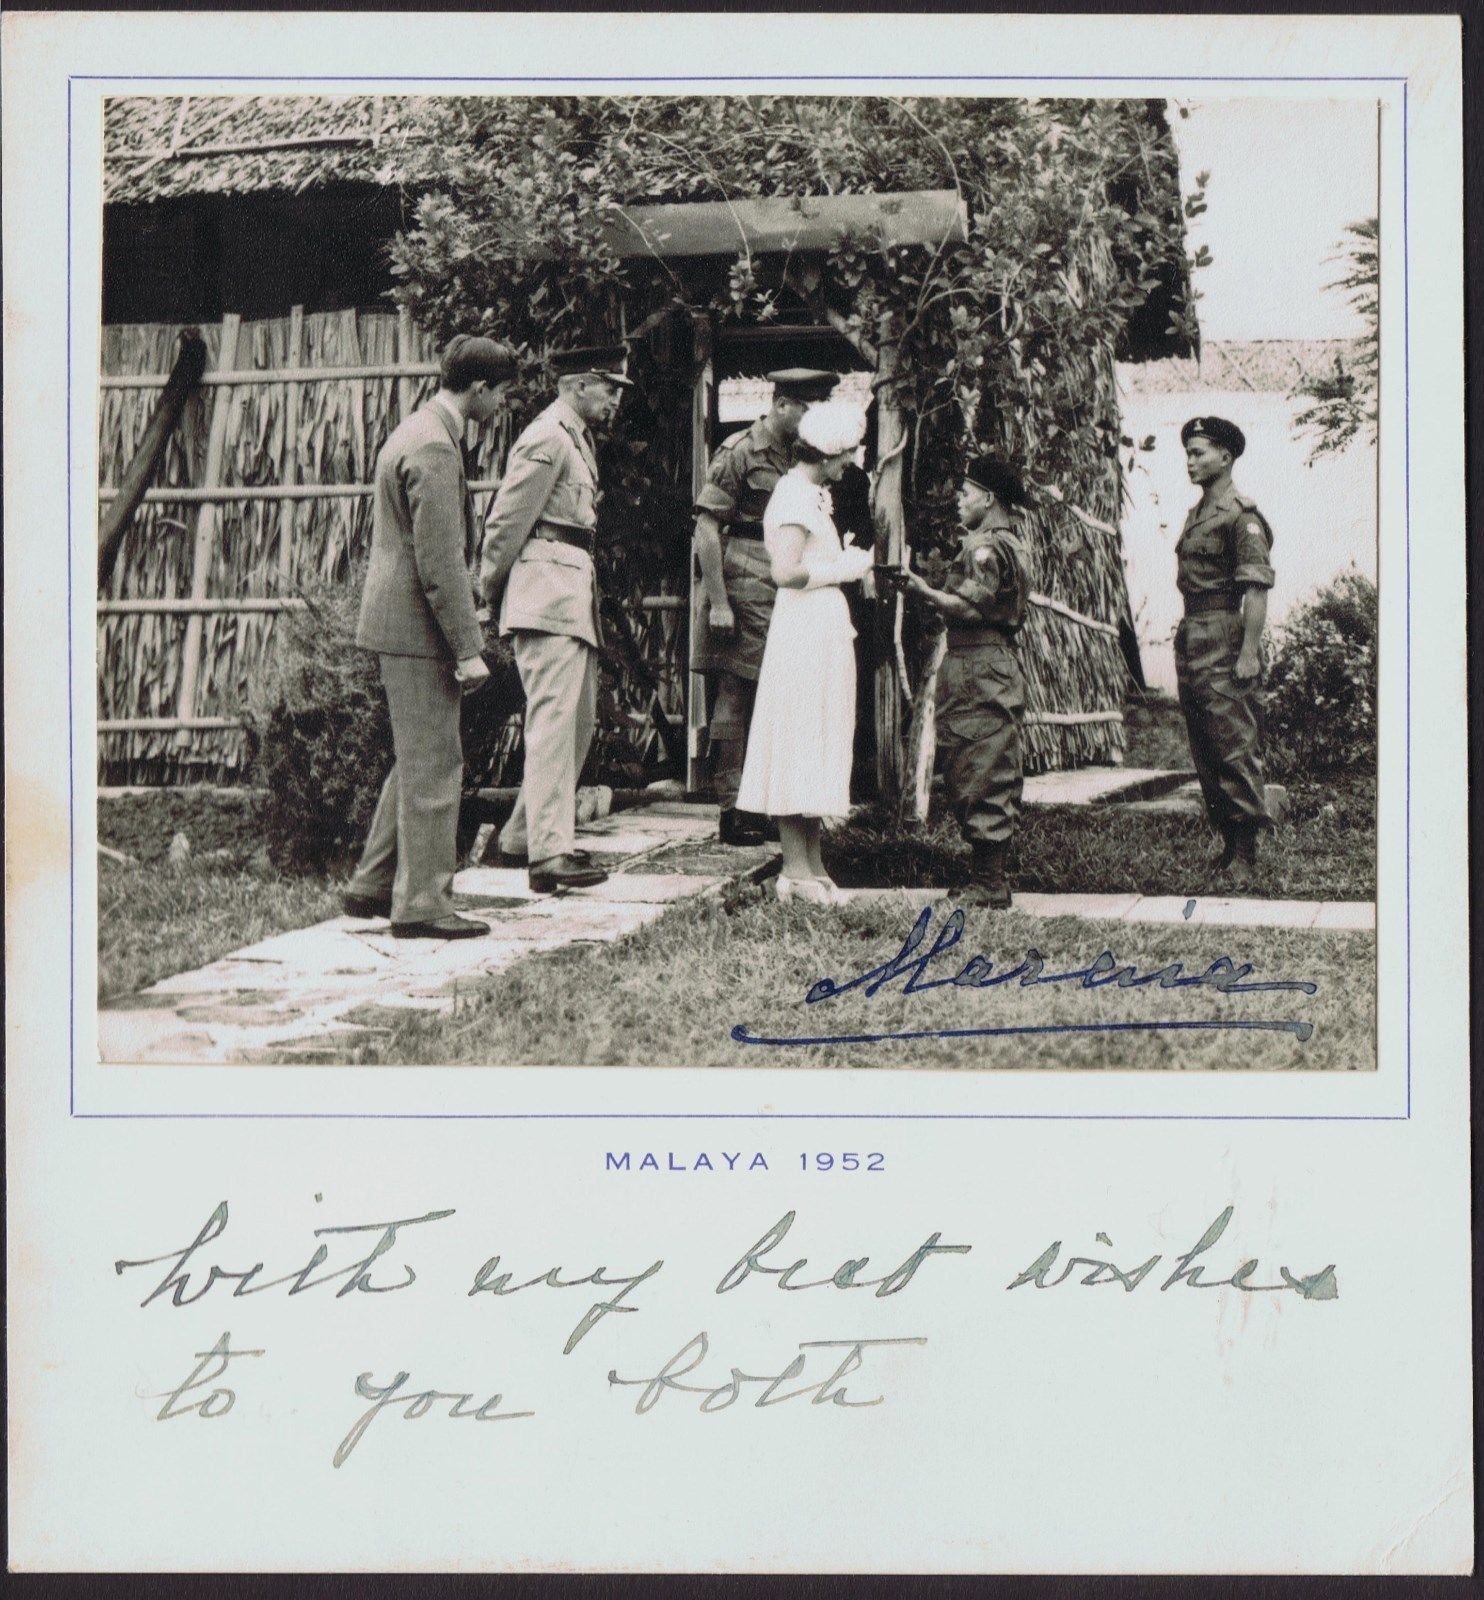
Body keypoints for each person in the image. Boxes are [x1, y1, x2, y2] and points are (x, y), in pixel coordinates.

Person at [343, 333, 518, 939]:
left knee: (415, 758)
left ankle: (370, 883)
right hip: (417, 629)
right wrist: (467, 650)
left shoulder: (414, 429)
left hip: (399, 623)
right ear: (477, 390)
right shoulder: (437, 448)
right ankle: (422, 906)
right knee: (437, 764)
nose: (500, 407)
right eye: (500, 395)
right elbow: (440, 565)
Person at [479, 344, 634, 894]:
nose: (615, 398)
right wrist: (487, 593)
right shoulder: (548, 436)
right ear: (578, 385)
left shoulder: (572, 438)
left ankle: (523, 836)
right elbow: (506, 523)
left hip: (568, 593)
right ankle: (549, 854)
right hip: (545, 594)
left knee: (576, 722)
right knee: (552, 723)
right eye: (609, 387)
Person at [735, 400, 875, 904]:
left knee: (819, 739)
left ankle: (812, 864)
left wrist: (846, 560)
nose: (848, 466)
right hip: (802, 629)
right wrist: (847, 568)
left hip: (822, 629)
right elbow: (787, 572)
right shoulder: (793, 494)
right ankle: (794, 870)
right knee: (798, 738)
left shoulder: (813, 494)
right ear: (829, 453)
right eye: (846, 456)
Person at [692, 368, 839, 845]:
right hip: (745, 578)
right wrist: (718, 601)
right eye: (805, 407)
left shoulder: (805, 460)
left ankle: (773, 805)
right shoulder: (739, 452)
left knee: (781, 696)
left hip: (785, 582)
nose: (811, 417)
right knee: (738, 693)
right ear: (780, 404)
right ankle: (733, 808)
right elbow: (707, 530)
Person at [890, 455, 1032, 909]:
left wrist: (921, 590)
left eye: (966, 492)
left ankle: (990, 881)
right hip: (985, 659)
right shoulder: (1010, 543)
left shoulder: (985, 547)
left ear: (988, 499)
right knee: (978, 758)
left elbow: (971, 608)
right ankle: (985, 875)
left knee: (980, 759)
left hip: (978, 660)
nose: (958, 500)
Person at [1175, 415, 1275, 885]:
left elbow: (1255, 590)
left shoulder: (1242, 516)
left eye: (1199, 453)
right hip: (1194, 630)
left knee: (1233, 740)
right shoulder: (1198, 514)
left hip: (1224, 631)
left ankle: (1246, 856)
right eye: (1189, 453)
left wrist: (1249, 652)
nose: (1190, 461)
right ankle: (1227, 844)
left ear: (1225, 457)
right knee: (1205, 742)